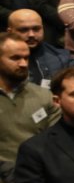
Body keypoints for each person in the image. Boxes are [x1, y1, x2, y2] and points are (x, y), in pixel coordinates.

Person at [0, 33, 58, 162]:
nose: (23, 64)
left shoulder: (44, 96)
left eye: (26, 58)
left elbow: (55, 142)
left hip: (36, 170)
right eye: (15, 58)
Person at [8, 7, 70, 86]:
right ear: (10, 32)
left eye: (36, 29)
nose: (31, 35)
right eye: (24, 30)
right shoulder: (2, 59)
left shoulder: (62, 57)